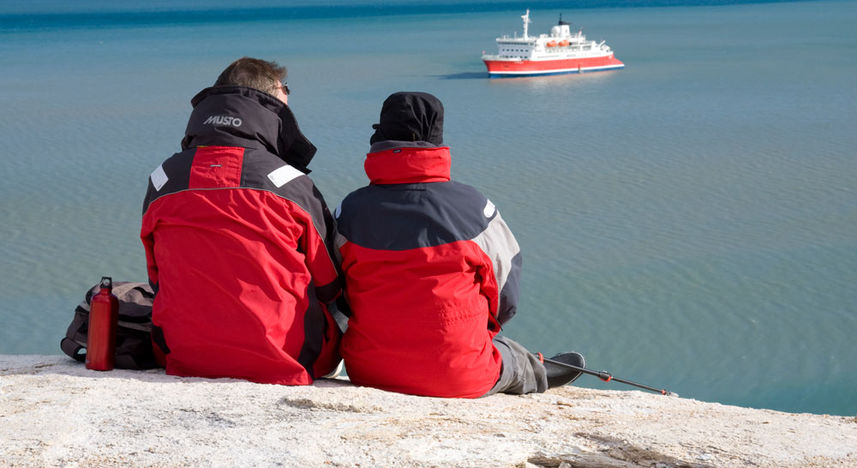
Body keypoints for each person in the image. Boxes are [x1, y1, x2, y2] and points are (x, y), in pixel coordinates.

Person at [334, 91, 584, 398]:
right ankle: (533, 370)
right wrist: (483, 329)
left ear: (379, 138)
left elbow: (337, 292)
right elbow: (507, 293)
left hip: (369, 370)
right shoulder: (476, 209)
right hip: (458, 376)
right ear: (437, 142)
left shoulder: (349, 210)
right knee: (510, 355)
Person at [140, 57, 342, 385]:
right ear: (270, 109)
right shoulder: (290, 184)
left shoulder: (164, 178)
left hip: (183, 354)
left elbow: (156, 276)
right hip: (285, 359)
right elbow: (331, 285)